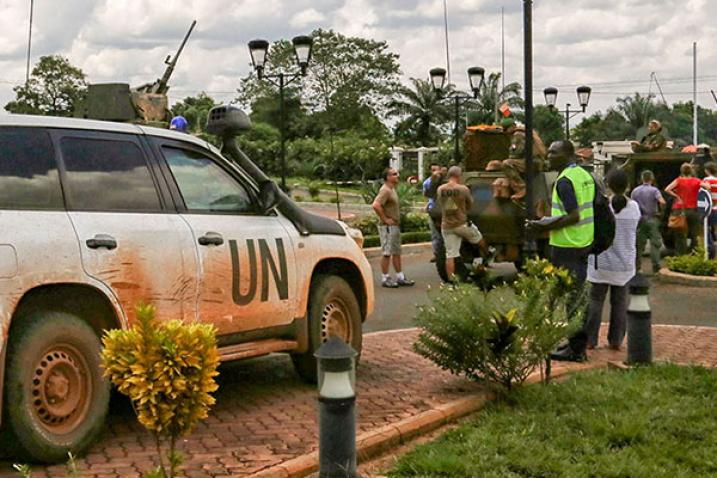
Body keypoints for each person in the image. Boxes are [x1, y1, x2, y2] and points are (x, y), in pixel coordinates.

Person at [526, 140, 595, 362]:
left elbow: (574, 215)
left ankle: (576, 350)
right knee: (577, 297)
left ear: (567, 154)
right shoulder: (584, 175)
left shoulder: (565, 181)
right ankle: (576, 344)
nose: (548, 157)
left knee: (573, 300)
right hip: (583, 242)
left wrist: (544, 225)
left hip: (568, 245)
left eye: (553, 153)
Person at [585, 169, 641, 350]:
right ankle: (616, 340)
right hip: (624, 263)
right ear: (628, 186)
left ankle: (590, 339)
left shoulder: (601, 207)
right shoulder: (634, 208)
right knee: (619, 302)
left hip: (601, 261)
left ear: (607, 185)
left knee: (595, 301)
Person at [437, 166, 492, 281]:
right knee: (478, 237)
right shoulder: (463, 189)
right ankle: (488, 252)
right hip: (462, 224)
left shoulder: (440, 189)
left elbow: (441, 203)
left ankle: (452, 280)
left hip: (446, 226)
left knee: (450, 255)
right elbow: (470, 204)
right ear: (459, 176)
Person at [372, 167, 415, 288]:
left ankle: (400, 276)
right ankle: (385, 277)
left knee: (396, 252)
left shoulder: (392, 189)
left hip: (394, 226)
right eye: (394, 174)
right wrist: (385, 219)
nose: (397, 176)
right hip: (387, 227)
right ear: (388, 177)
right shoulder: (385, 190)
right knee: (387, 252)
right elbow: (376, 205)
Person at [631, 170, 666, 273]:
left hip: (640, 220)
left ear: (642, 179)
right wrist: (662, 213)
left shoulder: (635, 191)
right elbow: (662, 201)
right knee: (655, 244)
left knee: (639, 245)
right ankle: (655, 266)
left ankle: (638, 267)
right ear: (652, 178)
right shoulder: (654, 190)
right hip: (652, 218)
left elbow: (632, 204)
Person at [665, 163, 705, 255]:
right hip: (693, 209)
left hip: (679, 210)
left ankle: (680, 255)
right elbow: (707, 187)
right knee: (695, 234)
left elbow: (667, 189)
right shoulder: (697, 181)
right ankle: (694, 254)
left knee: (680, 235)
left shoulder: (678, 180)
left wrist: (677, 196)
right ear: (692, 171)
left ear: (681, 171)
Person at [423, 163, 442, 262]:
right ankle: (437, 254)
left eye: (437, 169)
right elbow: (427, 195)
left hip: (444, 210)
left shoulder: (444, 182)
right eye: (433, 170)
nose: (435, 172)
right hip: (433, 210)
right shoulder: (427, 182)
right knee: (435, 234)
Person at [703, 162, 717, 258]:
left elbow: (702, 195)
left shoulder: (705, 180)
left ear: (707, 170)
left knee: (705, 230)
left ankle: (711, 250)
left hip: (709, 209)